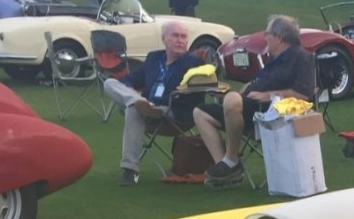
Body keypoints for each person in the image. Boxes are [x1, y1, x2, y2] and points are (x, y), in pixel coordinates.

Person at [196, 15, 315, 189]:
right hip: (247, 108)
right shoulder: (273, 59)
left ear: (279, 38)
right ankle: (227, 169)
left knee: (232, 99)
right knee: (200, 112)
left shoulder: (301, 57)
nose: (265, 37)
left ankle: (231, 159)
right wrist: (244, 90)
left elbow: (304, 94)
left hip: (269, 115)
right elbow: (259, 82)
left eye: (267, 33)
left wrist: (270, 95)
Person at [101, 20, 201, 186]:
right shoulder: (154, 58)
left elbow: (207, 80)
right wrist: (133, 94)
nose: (180, 40)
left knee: (133, 110)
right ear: (163, 39)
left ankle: (130, 170)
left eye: (183, 37)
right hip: (146, 104)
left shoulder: (193, 63)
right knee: (110, 84)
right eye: (175, 36)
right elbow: (130, 80)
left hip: (171, 111)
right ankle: (139, 102)